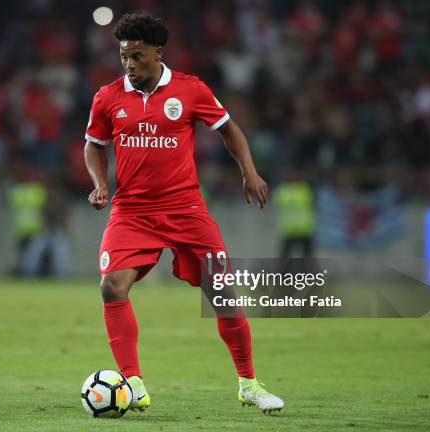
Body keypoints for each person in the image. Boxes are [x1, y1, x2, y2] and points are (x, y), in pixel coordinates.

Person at [83, 14, 284, 413]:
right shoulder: (107, 97)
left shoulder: (190, 90)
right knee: (111, 286)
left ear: (158, 52)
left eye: (137, 56)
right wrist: (100, 183)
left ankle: (248, 383)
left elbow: (229, 129)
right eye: (124, 57)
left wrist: (250, 172)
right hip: (132, 211)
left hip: (185, 208)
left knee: (223, 296)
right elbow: (93, 144)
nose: (129, 65)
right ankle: (133, 383)